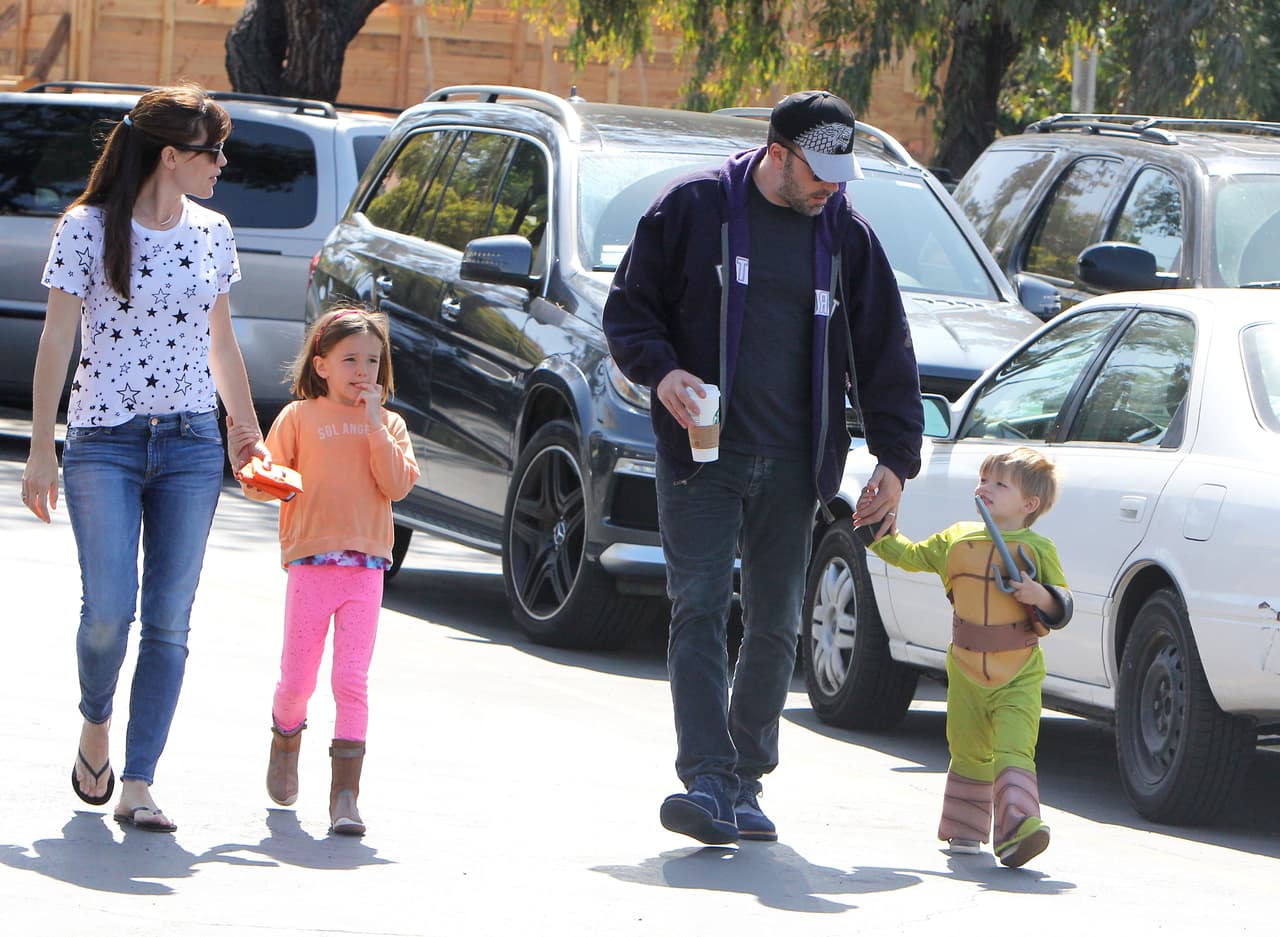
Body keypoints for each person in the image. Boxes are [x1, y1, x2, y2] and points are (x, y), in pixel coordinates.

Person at [603, 90, 924, 844]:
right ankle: (709, 778)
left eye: (843, 175)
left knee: (779, 622)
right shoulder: (692, 208)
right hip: (703, 455)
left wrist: (895, 460)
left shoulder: (848, 236)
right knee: (701, 608)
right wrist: (663, 373)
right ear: (777, 153)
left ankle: (746, 779)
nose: (831, 188)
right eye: (820, 172)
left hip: (796, 463)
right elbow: (629, 311)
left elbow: (886, 351)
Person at [20, 84, 269, 833]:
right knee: (109, 613)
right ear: (171, 155)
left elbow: (221, 342)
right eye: (211, 152)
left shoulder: (214, 232)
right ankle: (95, 719)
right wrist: (40, 448)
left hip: (192, 444)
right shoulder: (87, 229)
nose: (222, 165)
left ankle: (138, 778)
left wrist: (246, 429)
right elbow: (57, 341)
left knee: (168, 618)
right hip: (105, 441)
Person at [241, 307, 419, 836]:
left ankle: (345, 796)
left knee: (351, 680)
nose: (363, 370)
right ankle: (285, 742)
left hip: (365, 569)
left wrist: (373, 429)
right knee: (297, 679)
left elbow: (397, 486)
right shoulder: (299, 418)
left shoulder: (389, 424)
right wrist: (255, 468)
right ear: (321, 365)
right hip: (311, 565)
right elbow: (264, 479)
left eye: (372, 360)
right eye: (350, 360)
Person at [864, 446, 1072, 868]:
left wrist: (1039, 594)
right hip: (964, 668)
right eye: (983, 480)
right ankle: (965, 826)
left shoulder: (1037, 548)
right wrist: (875, 528)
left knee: (1014, 746)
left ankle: (1019, 828)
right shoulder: (957, 538)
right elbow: (909, 555)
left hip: (1018, 670)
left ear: (1029, 504)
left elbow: (1062, 605)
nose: (984, 488)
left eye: (999, 483)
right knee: (967, 746)